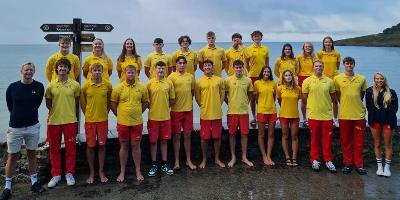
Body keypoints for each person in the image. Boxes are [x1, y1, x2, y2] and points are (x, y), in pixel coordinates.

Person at [1, 62, 45, 200]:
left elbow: (37, 103)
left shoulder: (39, 86)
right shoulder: (12, 87)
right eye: (26, 70)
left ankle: (34, 183)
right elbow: (10, 106)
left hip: (33, 126)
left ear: (34, 72)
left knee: (32, 154)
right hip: (15, 128)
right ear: (21, 71)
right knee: (12, 156)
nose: (28, 72)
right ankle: (7, 187)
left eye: (31, 70)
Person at [45, 58, 80, 187]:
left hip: (70, 120)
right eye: (60, 66)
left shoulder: (75, 85)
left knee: (71, 149)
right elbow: (49, 104)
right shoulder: (50, 86)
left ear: (68, 69)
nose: (62, 68)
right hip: (54, 121)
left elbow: (76, 101)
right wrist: (57, 111)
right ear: (56, 69)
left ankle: (69, 173)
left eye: (65, 67)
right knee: (54, 149)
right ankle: (56, 174)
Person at [111, 65, 148, 181]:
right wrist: (121, 115)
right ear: (125, 73)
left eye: (133, 72)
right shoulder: (118, 88)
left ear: (136, 74)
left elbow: (145, 103)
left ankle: (138, 171)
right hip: (123, 123)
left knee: (136, 146)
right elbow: (113, 104)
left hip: (137, 122)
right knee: (124, 146)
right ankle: (122, 172)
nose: (131, 74)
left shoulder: (142, 88)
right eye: (129, 72)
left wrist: (137, 113)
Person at [334, 57, 367, 175]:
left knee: (359, 142)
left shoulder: (362, 79)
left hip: (359, 116)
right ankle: (348, 163)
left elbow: (361, 95)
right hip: (344, 115)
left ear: (354, 64)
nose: (349, 65)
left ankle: (359, 164)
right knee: (346, 141)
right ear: (343, 65)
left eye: (351, 63)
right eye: (347, 63)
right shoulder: (337, 79)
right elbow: (338, 96)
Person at [302, 60, 337, 173]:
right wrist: (306, 114)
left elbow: (334, 99)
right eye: (316, 66)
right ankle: (315, 160)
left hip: (327, 116)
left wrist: (335, 117)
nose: (318, 68)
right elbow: (304, 99)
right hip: (313, 116)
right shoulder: (307, 81)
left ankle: (328, 160)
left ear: (323, 67)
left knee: (327, 140)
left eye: (320, 66)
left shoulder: (330, 81)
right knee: (314, 140)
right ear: (313, 67)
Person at [80, 63, 112, 183]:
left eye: (99, 70)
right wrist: (88, 114)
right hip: (90, 120)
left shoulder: (107, 85)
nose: (97, 72)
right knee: (90, 146)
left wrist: (105, 112)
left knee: (102, 145)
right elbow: (83, 104)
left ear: (102, 72)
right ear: (91, 72)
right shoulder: (85, 86)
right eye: (95, 70)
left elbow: (109, 101)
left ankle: (101, 171)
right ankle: (92, 172)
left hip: (103, 120)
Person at [366, 72, 398, 177]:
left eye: (381, 79)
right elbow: (369, 107)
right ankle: (379, 167)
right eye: (377, 78)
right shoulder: (369, 91)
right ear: (374, 80)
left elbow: (395, 108)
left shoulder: (391, 92)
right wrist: (372, 118)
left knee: (388, 144)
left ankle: (387, 168)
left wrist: (388, 119)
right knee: (377, 143)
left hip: (388, 122)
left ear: (385, 80)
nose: (379, 80)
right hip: (375, 122)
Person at [195, 60, 226, 168]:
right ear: (203, 68)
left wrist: (218, 104)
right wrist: (203, 106)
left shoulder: (219, 80)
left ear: (212, 67)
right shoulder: (198, 82)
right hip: (205, 114)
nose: (207, 67)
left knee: (217, 137)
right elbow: (198, 98)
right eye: (205, 65)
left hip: (217, 113)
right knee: (204, 138)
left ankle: (217, 159)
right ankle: (204, 159)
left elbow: (222, 95)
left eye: (209, 65)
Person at [146, 61, 175, 176]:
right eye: (159, 69)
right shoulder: (149, 83)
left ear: (166, 70)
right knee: (153, 142)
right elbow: (146, 101)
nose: (161, 70)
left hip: (166, 117)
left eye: (163, 69)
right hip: (153, 117)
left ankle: (165, 164)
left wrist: (164, 108)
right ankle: (153, 165)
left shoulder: (169, 83)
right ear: (155, 69)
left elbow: (172, 100)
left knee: (164, 141)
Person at [168, 56, 197, 170]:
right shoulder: (171, 77)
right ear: (176, 64)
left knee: (188, 135)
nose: (182, 65)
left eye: (183, 63)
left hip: (188, 110)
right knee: (176, 136)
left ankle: (188, 160)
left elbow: (192, 92)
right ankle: (176, 161)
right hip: (175, 111)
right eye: (179, 63)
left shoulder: (190, 77)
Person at [224, 60, 254, 167]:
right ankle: (233, 157)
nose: (238, 69)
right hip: (232, 112)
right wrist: (231, 104)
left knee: (244, 134)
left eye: (240, 67)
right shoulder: (227, 80)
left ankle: (244, 157)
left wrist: (245, 103)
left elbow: (250, 94)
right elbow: (224, 95)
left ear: (243, 67)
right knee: (232, 134)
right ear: (233, 68)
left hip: (244, 112)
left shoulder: (248, 80)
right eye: (236, 67)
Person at [253, 66, 277, 166]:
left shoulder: (273, 83)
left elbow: (275, 96)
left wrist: (270, 103)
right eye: (265, 71)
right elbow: (255, 97)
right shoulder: (257, 83)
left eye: (268, 72)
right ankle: (264, 156)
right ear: (262, 72)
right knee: (261, 135)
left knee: (271, 135)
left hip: (272, 111)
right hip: (261, 111)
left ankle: (269, 155)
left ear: (270, 73)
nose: (266, 73)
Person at [245, 30, 270, 127]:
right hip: (252, 76)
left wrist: (266, 73)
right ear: (252, 38)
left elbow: (267, 62)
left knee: (263, 97)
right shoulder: (248, 49)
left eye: (258, 36)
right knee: (253, 98)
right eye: (255, 36)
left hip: (263, 76)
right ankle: (254, 118)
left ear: (261, 37)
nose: (257, 38)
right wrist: (250, 71)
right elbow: (246, 63)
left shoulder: (266, 48)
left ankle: (263, 117)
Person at [277, 70, 301, 167]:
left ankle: (294, 157)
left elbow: (298, 98)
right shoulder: (279, 88)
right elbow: (279, 100)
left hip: (294, 115)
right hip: (283, 115)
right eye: (286, 75)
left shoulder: (298, 88)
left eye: (290, 75)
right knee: (285, 136)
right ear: (283, 77)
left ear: (292, 76)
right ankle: (287, 156)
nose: (288, 77)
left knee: (294, 136)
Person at [317, 36, 341, 126]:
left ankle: (335, 119)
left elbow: (337, 66)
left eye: (329, 42)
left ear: (332, 43)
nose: (327, 44)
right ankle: (323, 117)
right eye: (326, 42)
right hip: (323, 79)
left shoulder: (337, 54)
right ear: (323, 43)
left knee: (335, 100)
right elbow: (318, 66)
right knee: (323, 100)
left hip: (334, 79)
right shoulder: (320, 53)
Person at [296, 42, 317, 127]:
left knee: (313, 99)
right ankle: (304, 118)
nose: (308, 48)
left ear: (312, 48)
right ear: (303, 48)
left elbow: (317, 68)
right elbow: (297, 70)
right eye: (306, 46)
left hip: (313, 78)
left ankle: (312, 117)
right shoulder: (299, 57)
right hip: (302, 78)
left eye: (309, 46)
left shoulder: (315, 57)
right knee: (303, 100)